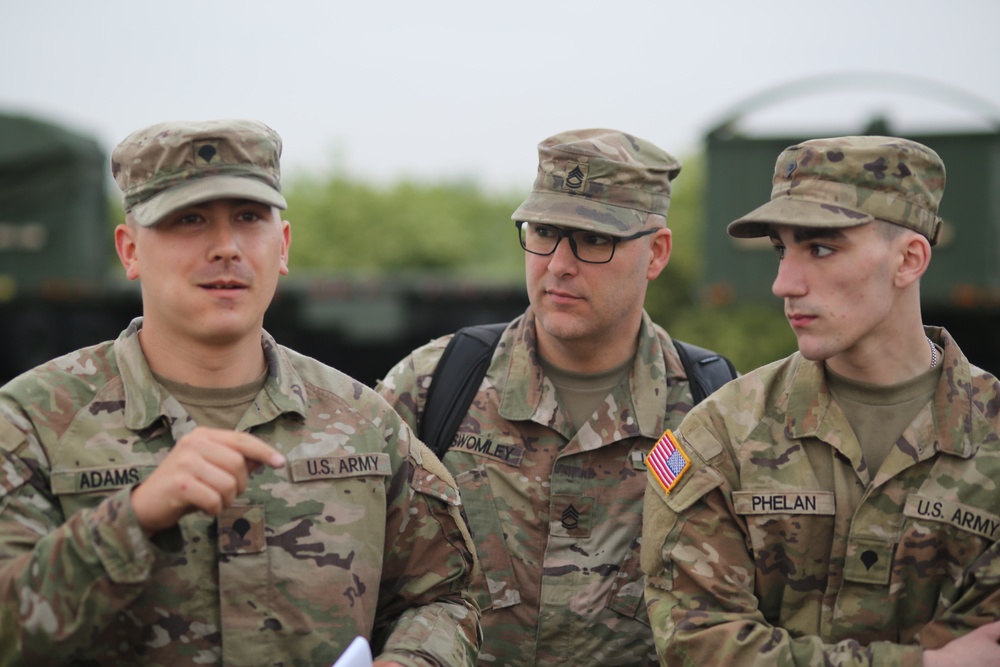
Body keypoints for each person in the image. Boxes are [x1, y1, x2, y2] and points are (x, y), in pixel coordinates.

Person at [0, 119, 481, 667]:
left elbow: (443, 597)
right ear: (130, 250)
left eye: (249, 218)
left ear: (283, 246)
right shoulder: (32, 423)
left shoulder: (365, 424)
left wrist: (412, 661)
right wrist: (133, 518)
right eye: (190, 220)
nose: (226, 247)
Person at [377, 128, 734, 665]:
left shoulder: (712, 407)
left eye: (594, 239)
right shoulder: (436, 384)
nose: (559, 265)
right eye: (544, 231)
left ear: (656, 253)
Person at [640, 135, 1000, 666]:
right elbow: (701, 647)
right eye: (781, 249)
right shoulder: (720, 438)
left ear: (909, 259)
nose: (784, 282)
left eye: (822, 248)